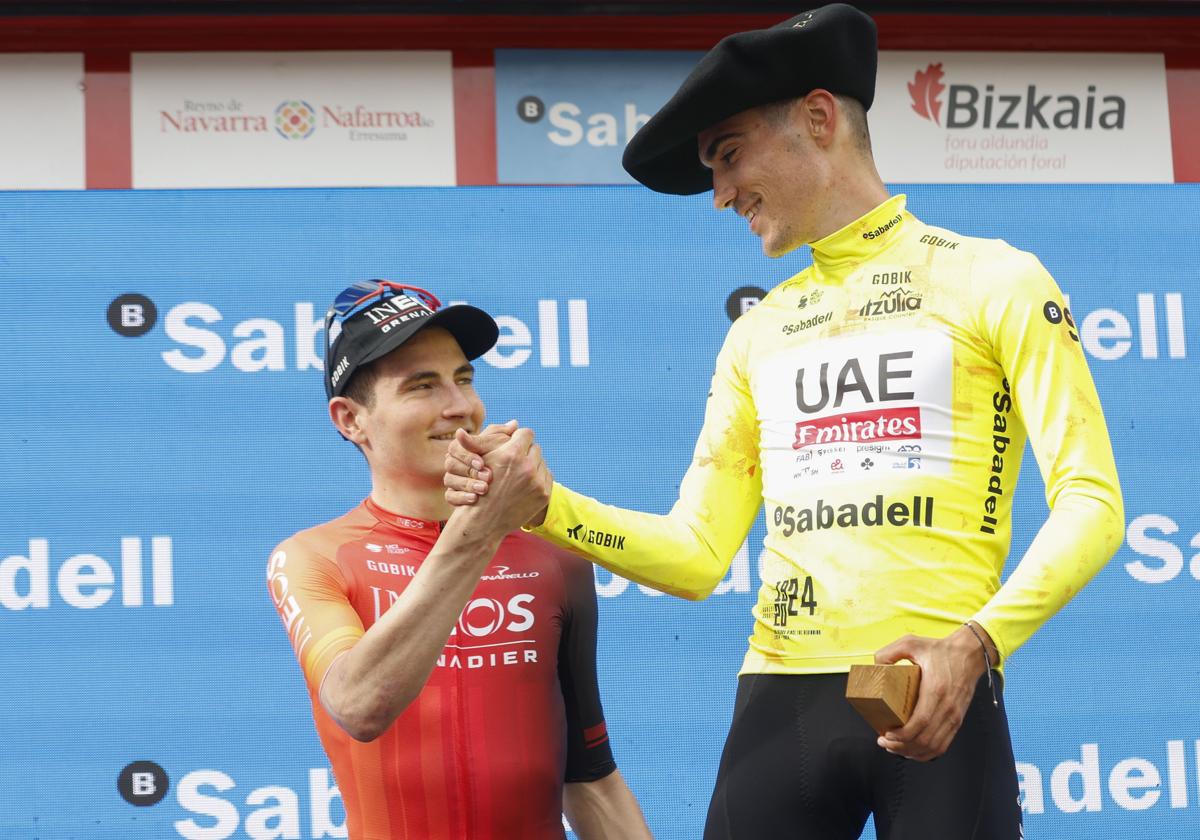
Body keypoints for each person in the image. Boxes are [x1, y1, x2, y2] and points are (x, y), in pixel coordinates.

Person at [443, 5, 1124, 839]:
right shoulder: (757, 332)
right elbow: (696, 556)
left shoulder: (996, 280)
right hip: (779, 701)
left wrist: (975, 645)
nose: (722, 193)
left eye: (728, 156)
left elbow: (1092, 500)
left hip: (937, 690)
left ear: (817, 117)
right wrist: (546, 507)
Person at [267, 280, 652, 840]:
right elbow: (358, 704)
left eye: (464, 379)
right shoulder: (314, 557)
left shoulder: (555, 558)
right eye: (422, 386)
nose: (459, 406)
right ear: (350, 419)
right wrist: (483, 527)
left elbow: (590, 779)